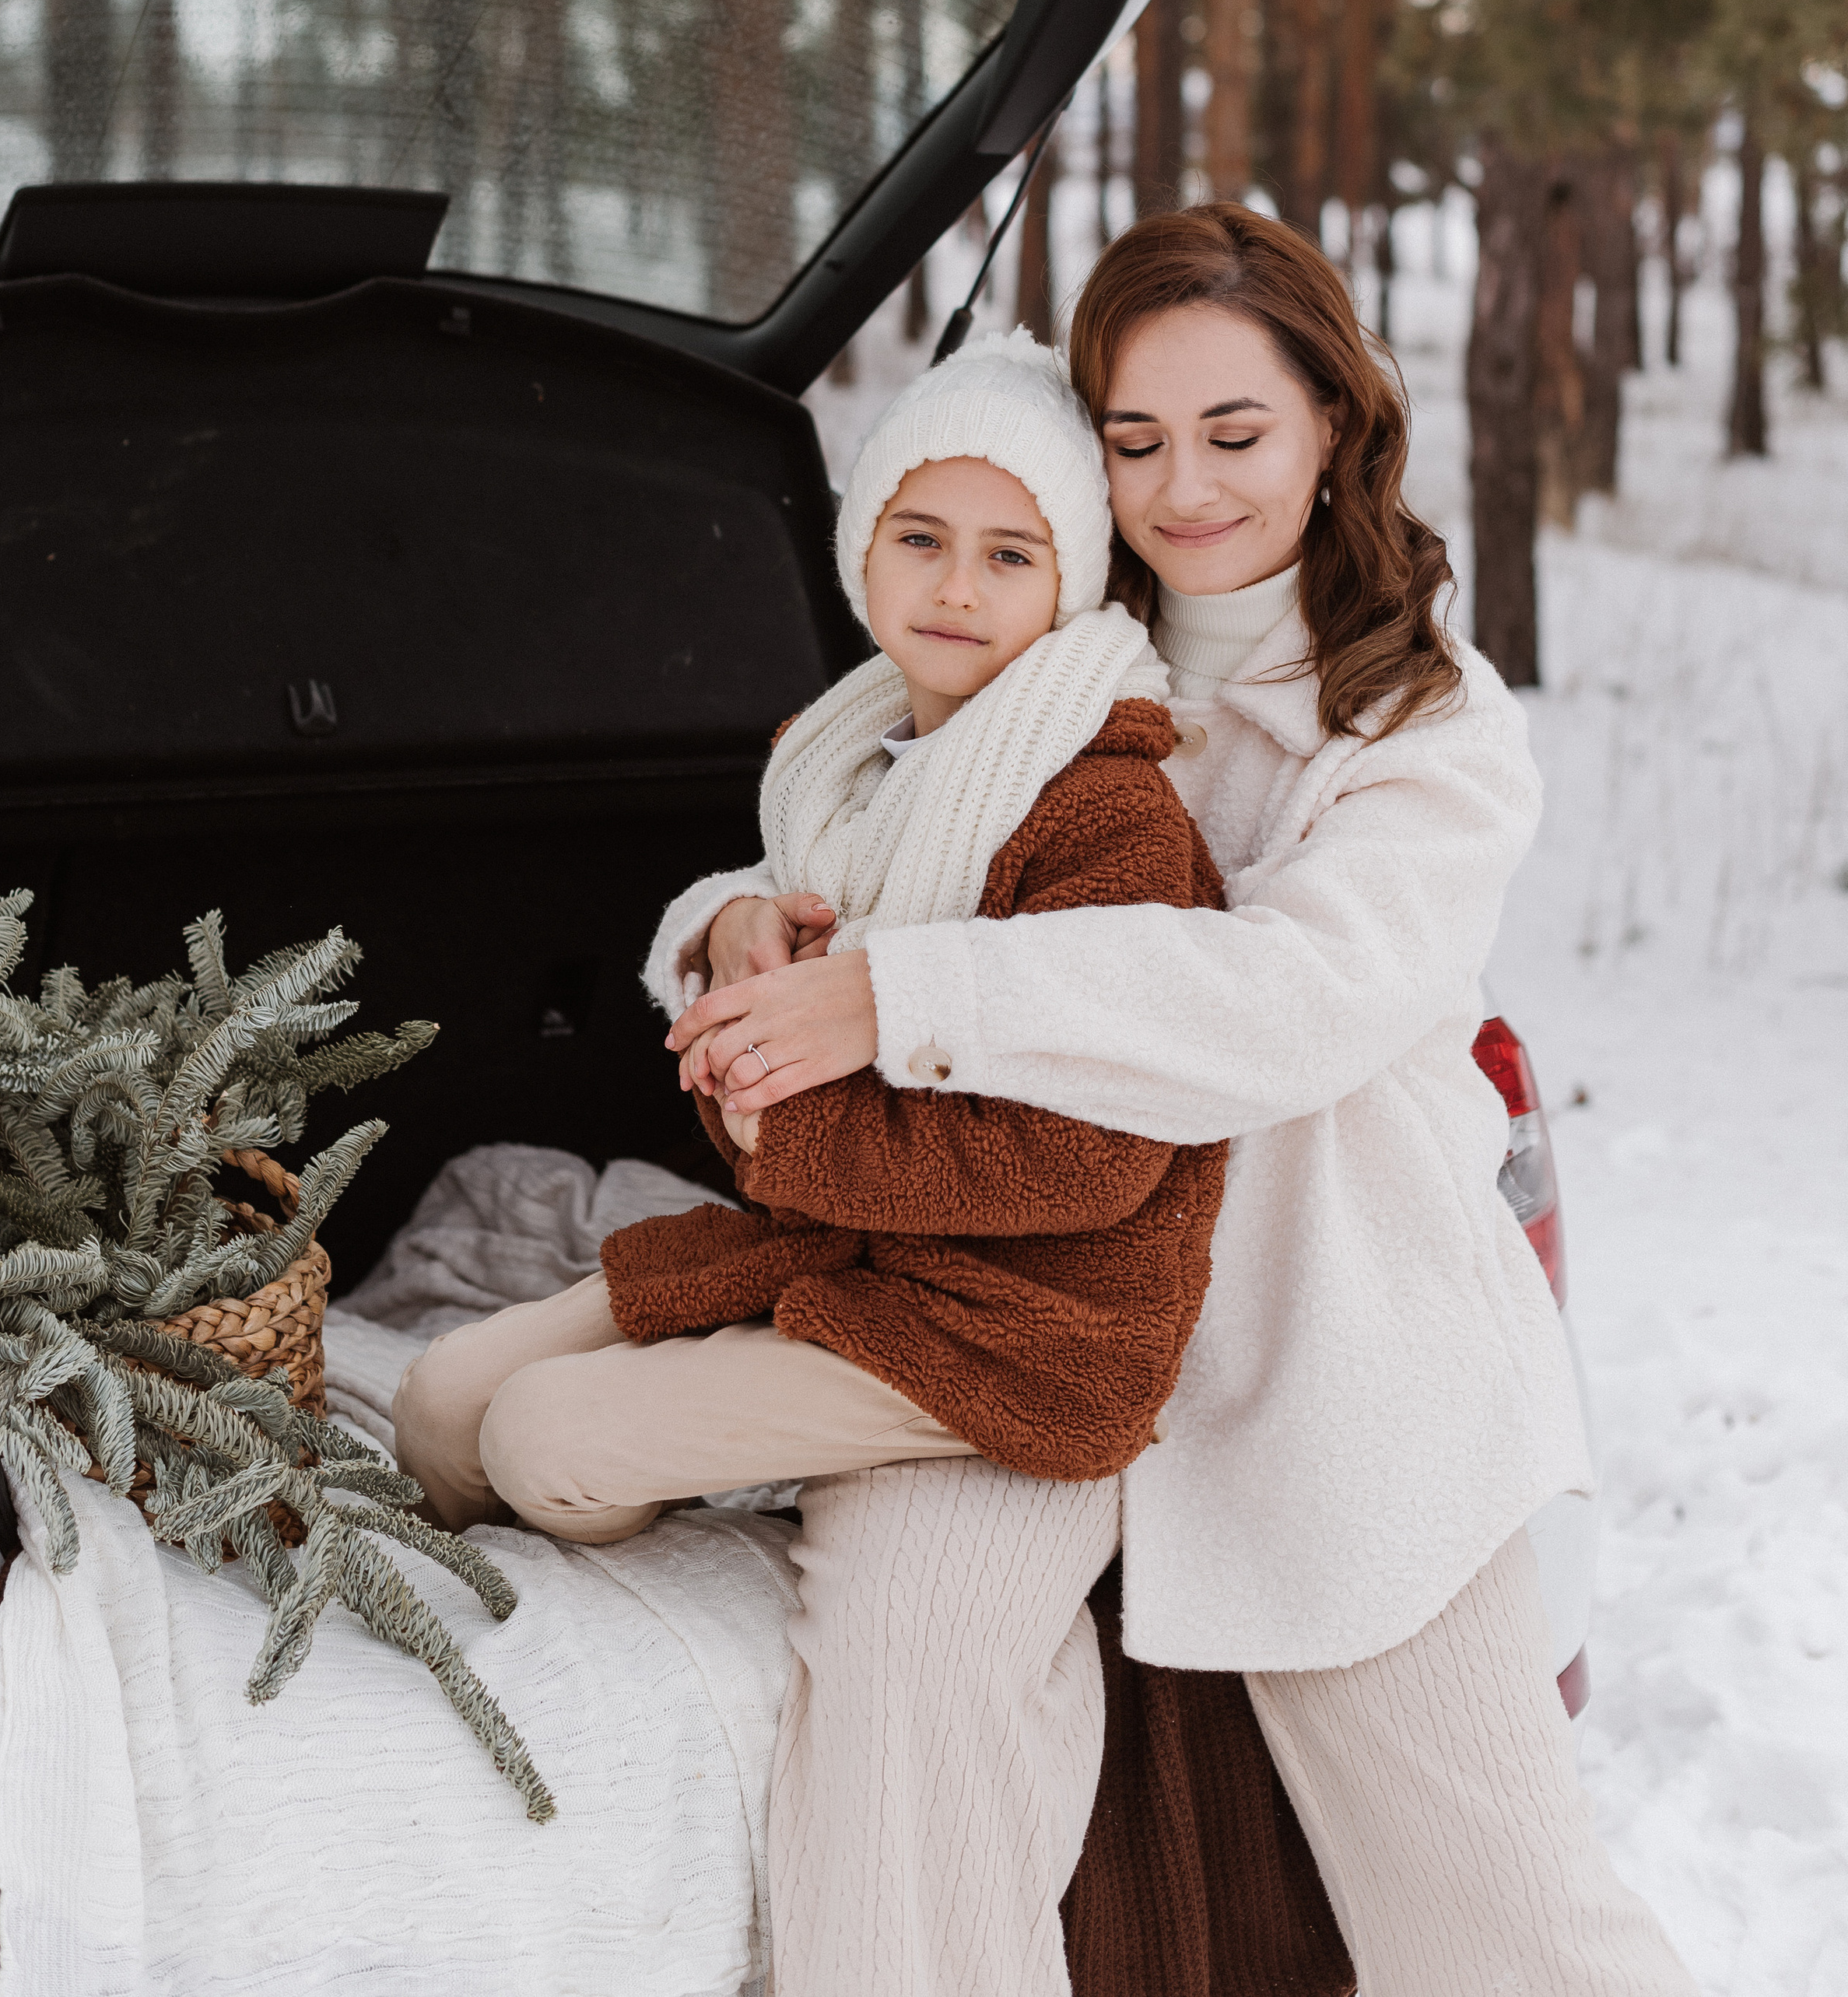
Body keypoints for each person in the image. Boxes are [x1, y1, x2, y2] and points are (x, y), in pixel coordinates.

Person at [667, 206, 1702, 1997]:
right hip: (1018, 1332)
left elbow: (1289, 999)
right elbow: (821, 818)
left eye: (1233, 434)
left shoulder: (1428, 731)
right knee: (901, 1739)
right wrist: (726, 931)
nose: (1184, 488)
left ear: (1331, 424)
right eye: (1133, 443)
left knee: (1502, 1926)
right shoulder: (1031, 636)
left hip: (1329, 1364)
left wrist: (900, 998)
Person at [391, 331, 1225, 1606]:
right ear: (862, 547)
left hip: (1021, 1325)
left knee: (540, 1436)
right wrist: (734, 937)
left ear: (1074, 578)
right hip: (841, 1249)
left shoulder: (1106, 815)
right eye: (920, 536)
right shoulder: (848, 761)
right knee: (442, 1401)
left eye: (1010, 555)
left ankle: (623, 1648)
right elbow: (787, 987)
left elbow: (1097, 1157)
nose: (955, 586)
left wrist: (783, 1131)